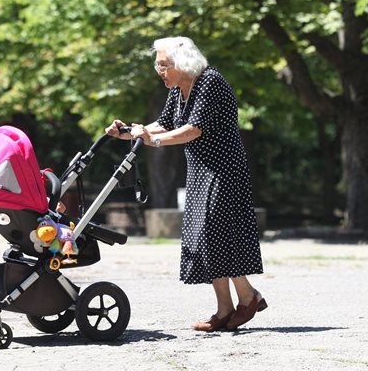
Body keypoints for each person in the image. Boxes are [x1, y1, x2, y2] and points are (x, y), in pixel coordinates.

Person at [105, 36, 266, 332]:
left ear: (182, 63)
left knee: (215, 230)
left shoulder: (209, 81)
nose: (159, 70)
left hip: (224, 169)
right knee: (205, 236)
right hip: (201, 170)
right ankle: (227, 307)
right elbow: (163, 123)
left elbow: (192, 130)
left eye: (163, 65)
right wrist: (128, 133)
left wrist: (152, 140)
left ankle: (248, 297)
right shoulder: (179, 90)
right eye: (157, 65)